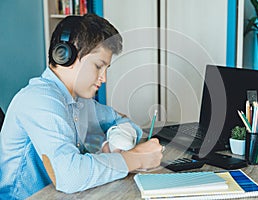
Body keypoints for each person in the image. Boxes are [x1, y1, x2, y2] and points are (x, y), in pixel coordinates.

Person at [0, 14, 163, 199]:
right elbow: (69, 176)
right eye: (98, 66)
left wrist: (117, 142)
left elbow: (122, 120)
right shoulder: (39, 100)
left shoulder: (80, 102)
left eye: (106, 69)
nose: (104, 78)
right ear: (65, 56)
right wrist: (133, 159)